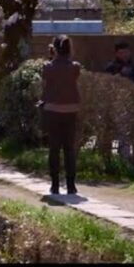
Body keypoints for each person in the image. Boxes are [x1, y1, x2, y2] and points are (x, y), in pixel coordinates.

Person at [41, 35, 82, 195]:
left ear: (54, 49)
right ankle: (71, 185)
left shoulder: (48, 67)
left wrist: (52, 56)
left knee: (54, 148)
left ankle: (55, 184)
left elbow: (46, 83)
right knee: (69, 148)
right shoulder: (75, 67)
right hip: (71, 108)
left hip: (52, 109)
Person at [106, 40, 134, 160]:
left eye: (127, 52)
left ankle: (132, 159)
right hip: (117, 104)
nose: (125, 55)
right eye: (122, 52)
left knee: (132, 133)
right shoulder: (111, 67)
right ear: (117, 53)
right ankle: (121, 159)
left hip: (132, 103)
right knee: (121, 132)